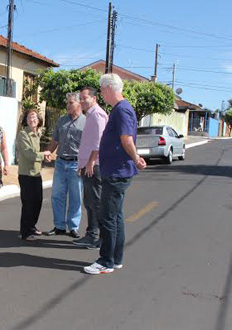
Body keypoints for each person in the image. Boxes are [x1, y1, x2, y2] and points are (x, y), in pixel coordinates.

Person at [84, 73, 146, 275]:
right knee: (115, 217)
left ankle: (106, 261)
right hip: (115, 171)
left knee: (108, 217)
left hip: (117, 173)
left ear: (110, 88)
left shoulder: (122, 110)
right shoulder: (120, 109)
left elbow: (126, 139)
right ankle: (116, 258)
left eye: (102, 90)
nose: (101, 94)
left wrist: (136, 159)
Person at [45, 92, 86, 238]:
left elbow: (89, 145)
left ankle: (73, 227)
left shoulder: (86, 122)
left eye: (70, 103)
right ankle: (59, 226)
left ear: (79, 104)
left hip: (76, 164)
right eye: (67, 103)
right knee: (57, 195)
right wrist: (48, 151)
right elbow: (55, 140)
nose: (67, 105)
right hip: (61, 163)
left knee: (75, 197)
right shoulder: (62, 120)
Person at [72, 86, 108, 249]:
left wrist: (91, 162)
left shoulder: (97, 115)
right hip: (88, 165)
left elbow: (99, 142)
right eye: (80, 98)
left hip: (95, 166)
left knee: (96, 203)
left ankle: (101, 238)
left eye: (84, 97)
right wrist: (83, 164)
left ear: (94, 98)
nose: (81, 101)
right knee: (90, 202)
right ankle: (91, 234)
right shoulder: (91, 115)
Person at [16, 109, 50, 241]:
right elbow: (29, 154)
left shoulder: (37, 133)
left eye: (34, 117)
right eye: (30, 117)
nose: (32, 120)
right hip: (26, 174)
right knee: (28, 203)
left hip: (36, 173)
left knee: (38, 202)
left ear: (39, 120)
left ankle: (32, 226)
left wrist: (43, 157)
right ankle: (25, 232)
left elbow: (36, 155)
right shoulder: (23, 134)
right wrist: (44, 155)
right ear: (26, 120)